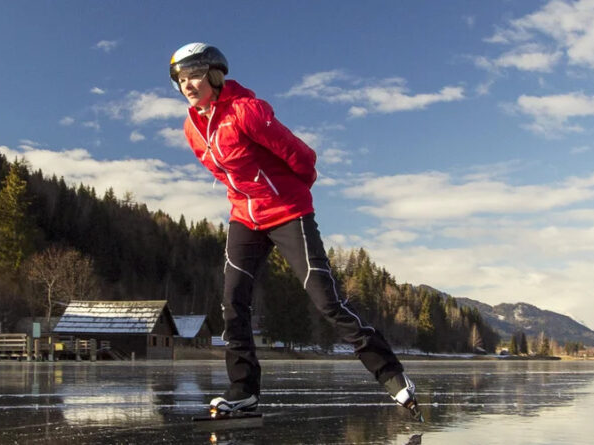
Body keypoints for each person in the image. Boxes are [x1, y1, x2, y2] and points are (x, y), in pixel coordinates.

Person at [170, 42, 422, 421]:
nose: (188, 85)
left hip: (287, 211)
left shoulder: (246, 111)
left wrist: (292, 191)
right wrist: (246, 200)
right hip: (245, 218)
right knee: (232, 302)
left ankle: (392, 375)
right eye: (180, 79)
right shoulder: (192, 128)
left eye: (194, 75)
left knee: (326, 300)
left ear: (215, 74)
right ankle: (244, 392)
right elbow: (225, 174)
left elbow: (301, 156)